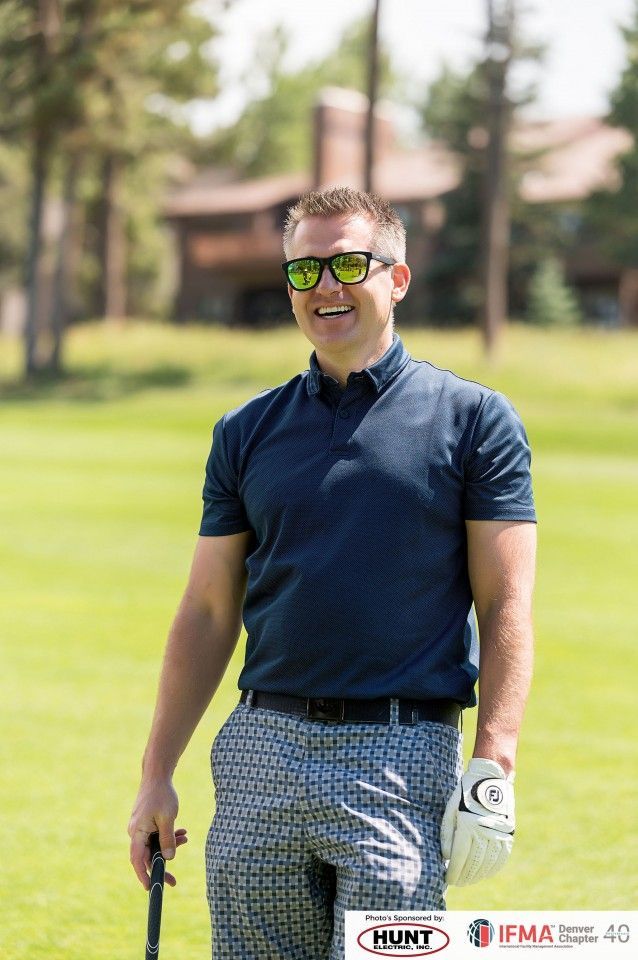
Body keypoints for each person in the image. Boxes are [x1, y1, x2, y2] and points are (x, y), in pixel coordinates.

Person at [128, 186, 536, 959]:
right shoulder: (246, 430)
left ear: (397, 279)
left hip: (403, 753)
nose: (325, 287)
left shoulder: (475, 420)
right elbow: (208, 610)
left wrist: (495, 761)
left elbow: (506, 602)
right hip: (261, 748)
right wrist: (157, 775)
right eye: (304, 270)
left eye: (348, 264)